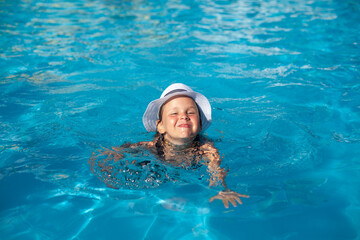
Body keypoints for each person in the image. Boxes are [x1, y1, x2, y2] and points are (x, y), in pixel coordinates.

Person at [89, 83, 249, 208]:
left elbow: (216, 169)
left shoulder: (206, 148)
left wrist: (222, 189)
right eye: (174, 113)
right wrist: (110, 159)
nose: (184, 117)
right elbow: (114, 152)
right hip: (158, 165)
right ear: (160, 126)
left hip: (187, 172)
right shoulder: (149, 146)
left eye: (191, 112)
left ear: (200, 125)